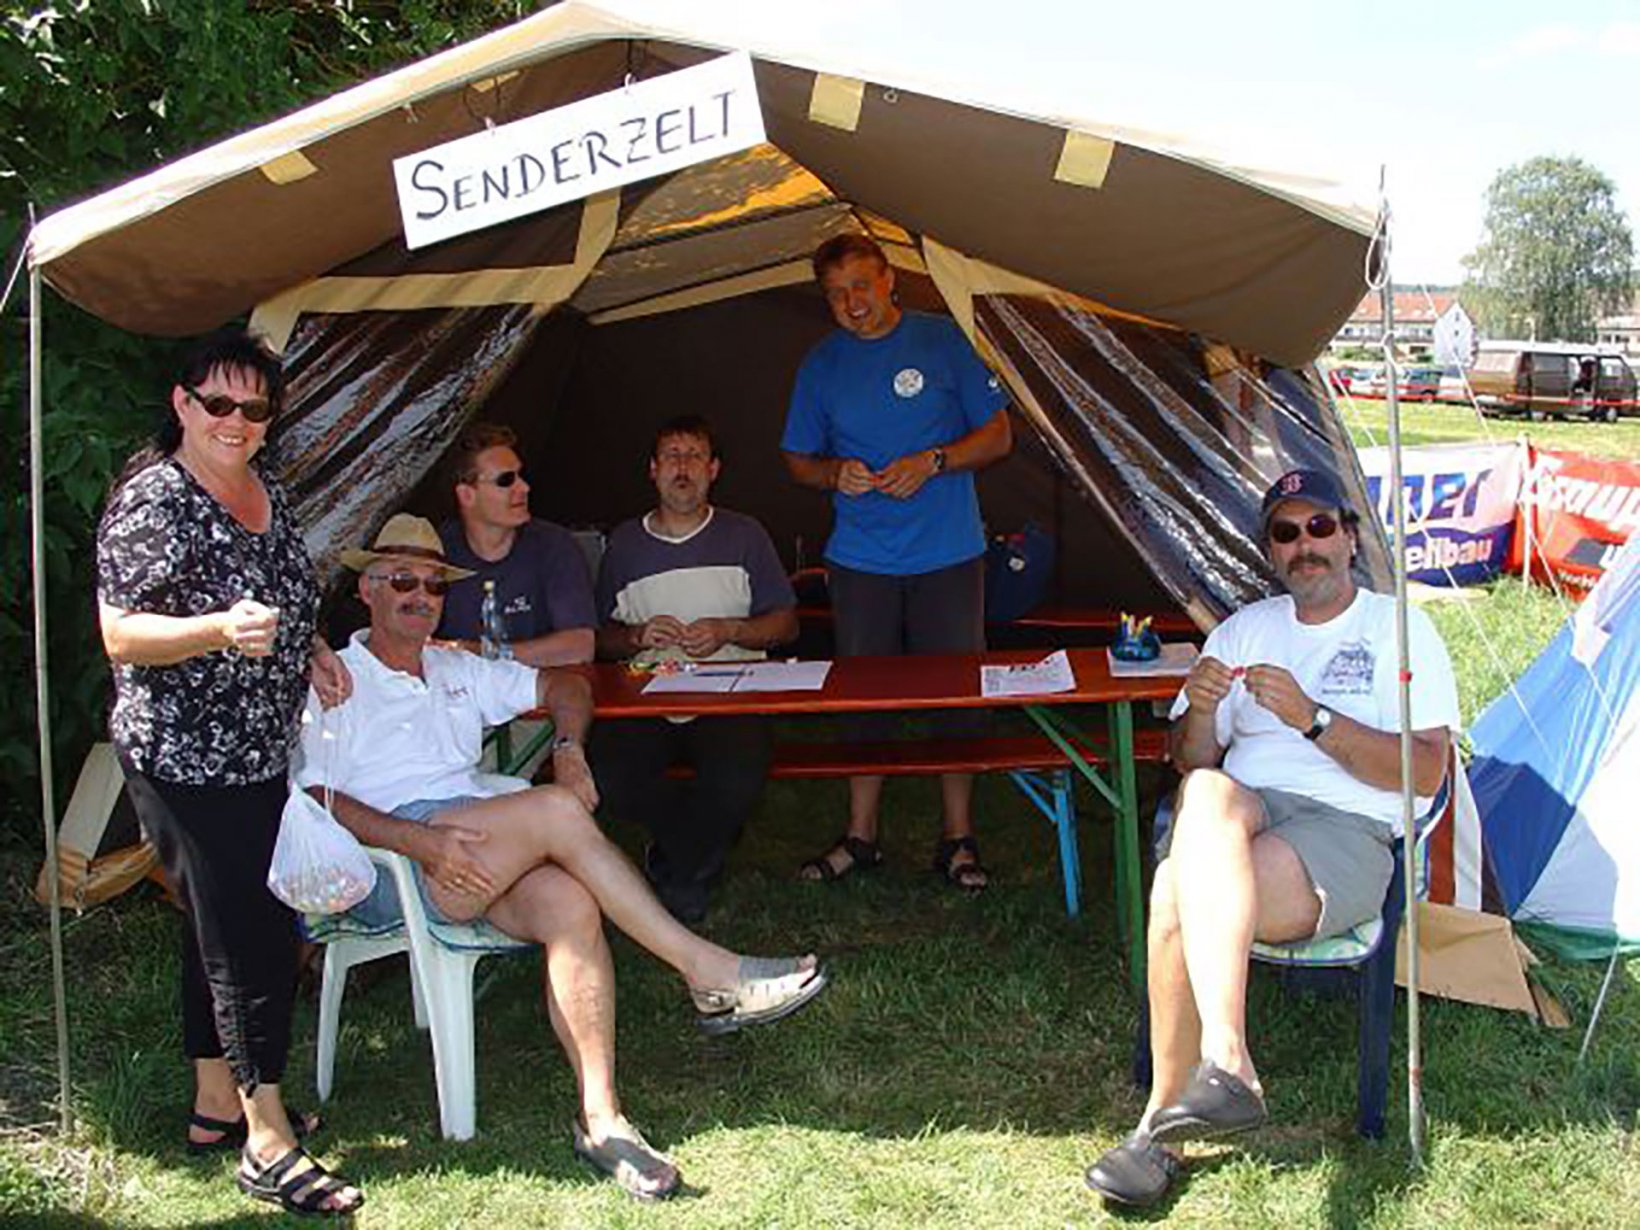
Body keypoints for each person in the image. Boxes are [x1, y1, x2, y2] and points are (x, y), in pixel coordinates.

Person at [300, 514, 827, 1202]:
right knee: (555, 809)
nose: (420, 595)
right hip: (394, 862)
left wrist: (569, 748)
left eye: (433, 584)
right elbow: (316, 795)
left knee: (571, 905)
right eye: (402, 580)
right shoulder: (335, 677)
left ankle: (602, 1121)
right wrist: (415, 841)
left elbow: (567, 684)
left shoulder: (456, 666)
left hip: (477, 847)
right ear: (367, 589)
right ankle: (707, 969)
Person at [1084, 468, 1459, 1208]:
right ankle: (1227, 1060)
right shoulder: (1243, 630)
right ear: (1270, 551)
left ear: (1350, 536)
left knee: (1175, 889)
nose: (1304, 545)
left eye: (1319, 526)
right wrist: (1198, 711)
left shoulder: (1400, 629)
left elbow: (1425, 772)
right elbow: (1190, 760)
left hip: (1345, 831)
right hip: (1244, 813)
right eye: (1286, 533)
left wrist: (1313, 719)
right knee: (1206, 789)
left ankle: (1159, 1130)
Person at [96, 328, 363, 1217]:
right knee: (252, 934)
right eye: (218, 403)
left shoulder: (264, 489)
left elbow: (286, 592)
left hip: (257, 754)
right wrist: (215, 630)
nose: (237, 421)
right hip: (184, 759)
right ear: (182, 403)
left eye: (256, 408)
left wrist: (312, 647)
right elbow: (121, 634)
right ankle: (268, 1139)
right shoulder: (155, 501)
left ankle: (216, 1107)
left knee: (216, 926)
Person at [781, 232, 1013, 891]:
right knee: (863, 698)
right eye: (835, 295)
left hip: (948, 551)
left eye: (860, 285)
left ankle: (958, 837)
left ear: (889, 279)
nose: (851, 303)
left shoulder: (942, 338)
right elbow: (797, 459)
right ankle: (861, 836)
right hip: (860, 560)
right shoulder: (821, 364)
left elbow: (999, 435)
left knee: (957, 695)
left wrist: (934, 461)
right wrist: (835, 473)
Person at [591, 416, 799, 922]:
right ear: (653, 469)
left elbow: (787, 624)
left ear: (713, 469)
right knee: (612, 776)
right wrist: (636, 636)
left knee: (737, 776)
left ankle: (678, 874)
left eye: (694, 456)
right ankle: (702, 842)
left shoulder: (745, 535)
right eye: (671, 456)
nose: (682, 467)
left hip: (732, 692)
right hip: (648, 692)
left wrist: (731, 631)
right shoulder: (625, 543)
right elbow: (599, 636)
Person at [437, 421, 597, 666]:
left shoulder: (554, 545)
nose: (524, 487)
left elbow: (580, 648)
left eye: (520, 476)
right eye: (506, 480)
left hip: (539, 688)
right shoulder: (435, 553)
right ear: (467, 495)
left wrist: (481, 653)